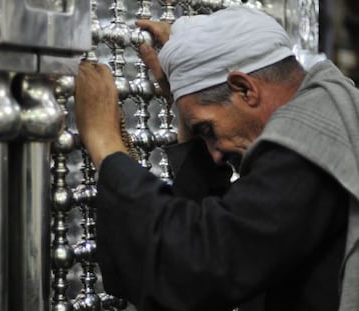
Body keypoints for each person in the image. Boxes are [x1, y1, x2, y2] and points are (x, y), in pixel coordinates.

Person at [74, 6, 359, 311]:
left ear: (244, 89)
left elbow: (202, 264)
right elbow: (241, 231)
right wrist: (188, 96)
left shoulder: (310, 136)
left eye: (207, 129)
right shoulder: (333, 106)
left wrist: (106, 145)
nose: (216, 153)